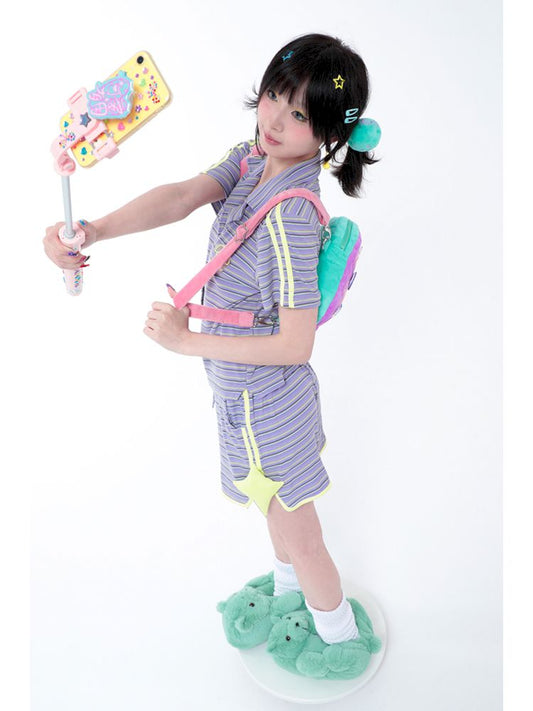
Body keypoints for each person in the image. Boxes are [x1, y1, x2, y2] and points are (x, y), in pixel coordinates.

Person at [43, 33, 379, 649]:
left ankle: (339, 640)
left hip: (272, 404)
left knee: (302, 536)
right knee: (271, 512)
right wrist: (92, 230)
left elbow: (296, 344)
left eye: (300, 114)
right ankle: (289, 598)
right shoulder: (251, 160)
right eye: (274, 95)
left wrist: (185, 342)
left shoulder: (292, 216)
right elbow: (180, 197)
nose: (274, 120)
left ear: (329, 133)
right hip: (240, 395)